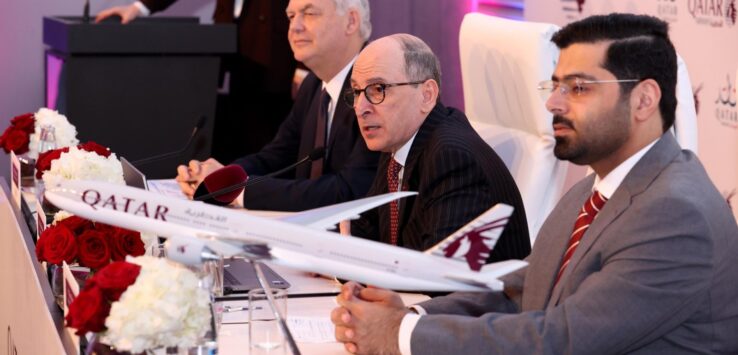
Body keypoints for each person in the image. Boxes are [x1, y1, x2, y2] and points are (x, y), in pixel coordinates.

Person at [331, 13, 738, 354]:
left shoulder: (676, 214)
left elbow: (560, 339)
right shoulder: (592, 190)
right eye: (555, 85)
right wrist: (411, 317)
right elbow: (525, 289)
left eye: (577, 87)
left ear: (644, 100)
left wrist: (400, 336)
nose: (553, 103)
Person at [172, 0, 379, 211]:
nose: (295, 27)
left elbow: (350, 191)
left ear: (351, 21)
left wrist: (236, 190)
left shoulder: (377, 90)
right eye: (290, 16)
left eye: (309, 14)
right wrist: (218, 178)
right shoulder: (313, 85)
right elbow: (275, 157)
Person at [346, 34, 530, 261]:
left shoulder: (452, 157)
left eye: (378, 89)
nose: (360, 107)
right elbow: (368, 229)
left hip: (468, 296)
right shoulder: (397, 141)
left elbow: (437, 275)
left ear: (427, 95)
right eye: (356, 92)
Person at [97, 0, 297, 164]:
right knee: (227, 141)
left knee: (266, 140)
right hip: (227, 50)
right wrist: (138, 8)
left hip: (274, 58)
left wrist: (305, 68)